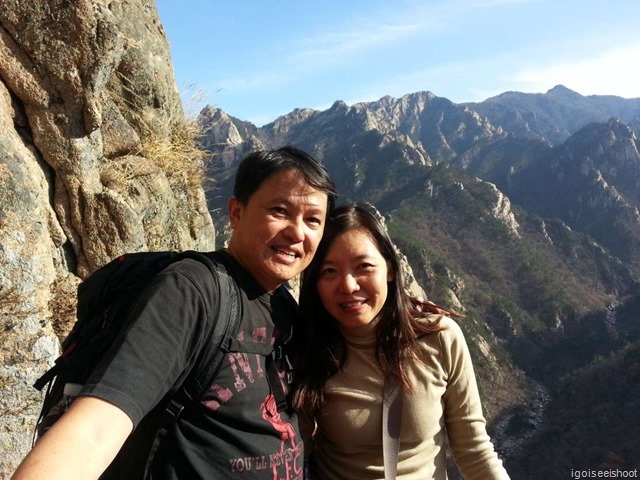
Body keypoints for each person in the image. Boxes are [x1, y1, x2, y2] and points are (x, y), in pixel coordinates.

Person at [12, 146, 337, 480]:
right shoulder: (191, 291)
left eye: (312, 220)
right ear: (236, 212)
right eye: (280, 211)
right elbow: (96, 426)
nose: (298, 232)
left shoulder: (284, 306)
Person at [293, 204, 510, 480]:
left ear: (391, 270)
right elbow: (292, 454)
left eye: (364, 267)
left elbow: (474, 450)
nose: (347, 285)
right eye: (329, 271)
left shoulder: (439, 338)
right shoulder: (308, 349)